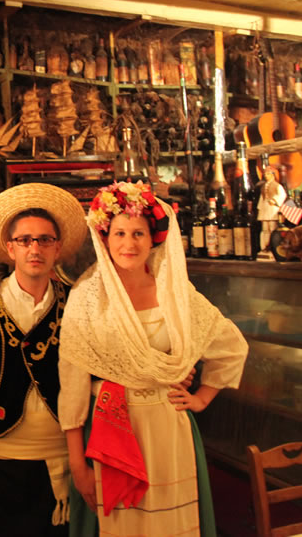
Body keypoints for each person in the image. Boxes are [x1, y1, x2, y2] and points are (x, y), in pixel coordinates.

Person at [60, 181, 248, 537]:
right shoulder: (87, 297)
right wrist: (77, 463)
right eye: (119, 233)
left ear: (153, 239)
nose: (128, 244)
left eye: (138, 234)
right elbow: (72, 383)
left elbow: (230, 346)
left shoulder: (175, 292)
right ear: (105, 238)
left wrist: (202, 397)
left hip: (168, 427)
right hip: (110, 428)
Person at [0, 183, 87, 537]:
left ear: (57, 247)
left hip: (65, 458)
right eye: (25, 240)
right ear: (10, 248)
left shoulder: (77, 303)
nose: (35, 249)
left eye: (44, 240)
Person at [257, 165, 287, 252]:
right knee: (265, 229)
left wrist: (274, 201)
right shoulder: (263, 187)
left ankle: (273, 247)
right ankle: (265, 246)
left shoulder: (277, 186)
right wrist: (260, 208)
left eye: (268, 174)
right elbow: (262, 198)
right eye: (265, 174)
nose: (266, 176)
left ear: (273, 175)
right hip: (264, 208)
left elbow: (282, 195)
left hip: (272, 209)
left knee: (272, 228)